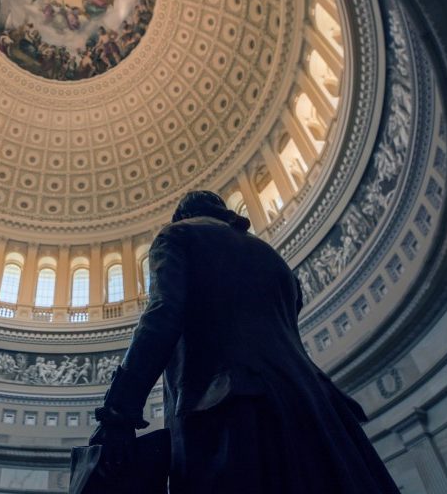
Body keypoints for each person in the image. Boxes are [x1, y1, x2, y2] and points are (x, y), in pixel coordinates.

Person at [90, 190, 400, 493]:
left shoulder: (177, 236)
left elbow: (162, 315)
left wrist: (120, 410)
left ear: (183, 215)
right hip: (315, 411)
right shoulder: (271, 257)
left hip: (234, 413)